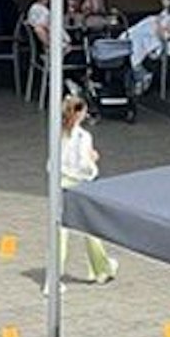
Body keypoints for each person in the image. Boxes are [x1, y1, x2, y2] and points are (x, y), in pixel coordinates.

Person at [52, 94, 117, 293]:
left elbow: (52, 163)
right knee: (90, 228)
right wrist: (93, 161)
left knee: (60, 233)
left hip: (61, 184)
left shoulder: (57, 134)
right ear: (79, 114)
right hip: (80, 185)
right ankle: (101, 269)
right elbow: (84, 165)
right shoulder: (84, 137)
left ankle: (54, 278)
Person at [121, 0, 170, 92]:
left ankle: (139, 72)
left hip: (169, 42)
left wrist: (156, 24)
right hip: (158, 38)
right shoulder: (165, 12)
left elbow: (166, 31)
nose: (161, 0)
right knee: (139, 37)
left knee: (141, 38)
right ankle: (139, 71)